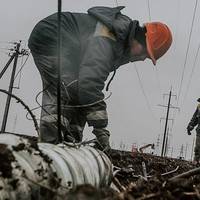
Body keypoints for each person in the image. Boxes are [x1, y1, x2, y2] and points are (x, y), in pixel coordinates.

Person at [28, 6, 172, 150]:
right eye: (145, 53)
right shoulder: (109, 36)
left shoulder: (120, 44)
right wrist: (101, 130)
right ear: (140, 39)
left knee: (78, 93)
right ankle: (49, 149)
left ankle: (70, 144)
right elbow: (90, 84)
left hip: (70, 47)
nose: (141, 59)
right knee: (65, 90)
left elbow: (86, 91)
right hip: (53, 37)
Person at [187, 98, 200, 163]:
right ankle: (196, 162)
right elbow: (195, 118)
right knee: (198, 147)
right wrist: (190, 126)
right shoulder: (199, 107)